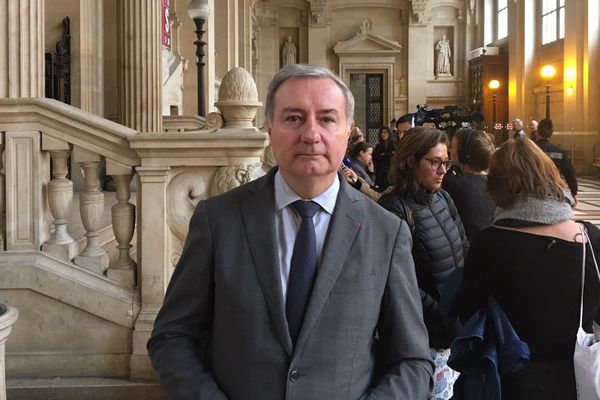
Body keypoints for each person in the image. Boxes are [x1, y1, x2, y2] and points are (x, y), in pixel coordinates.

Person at [147, 64, 434, 400]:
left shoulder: (386, 231)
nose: (310, 134)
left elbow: (414, 361)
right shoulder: (218, 220)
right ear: (270, 127)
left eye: (327, 119)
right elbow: (172, 336)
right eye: (294, 118)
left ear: (348, 131)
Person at [458, 138, 600, 399]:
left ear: (497, 183)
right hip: (578, 380)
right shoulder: (588, 238)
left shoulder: (488, 243)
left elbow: (469, 313)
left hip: (513, 380)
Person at [379, 127, 468, 400]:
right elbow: (400, 282)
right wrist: (441, 314)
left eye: (446, 162)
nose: (443, 170)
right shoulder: (394, 209)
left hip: (456, 327)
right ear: (410, 161)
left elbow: (464, 246)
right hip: (425, 334)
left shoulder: (442, 197)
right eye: (435, 162)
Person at [443, 128, 496, 242]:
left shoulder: (453, 183)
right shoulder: (493, 183)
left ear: (465, 156)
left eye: (452, 147)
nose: (449, 150)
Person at [535, 118, 578, 201]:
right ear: (551, 133)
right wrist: (574, 192)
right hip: (554, 190)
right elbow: (569, 173)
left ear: (538, 132)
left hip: (533, 190)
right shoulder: (561, 152)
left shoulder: (530, 150)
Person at [373, 125, 395, 190]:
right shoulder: (378, 146)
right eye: (382, 132)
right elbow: (376, 157)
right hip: (380, 172)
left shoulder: (393, 145)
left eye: (385, 132)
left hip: (390, 172)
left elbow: (394, 156)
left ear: (389, 133)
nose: (383, 134)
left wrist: (384, 155)